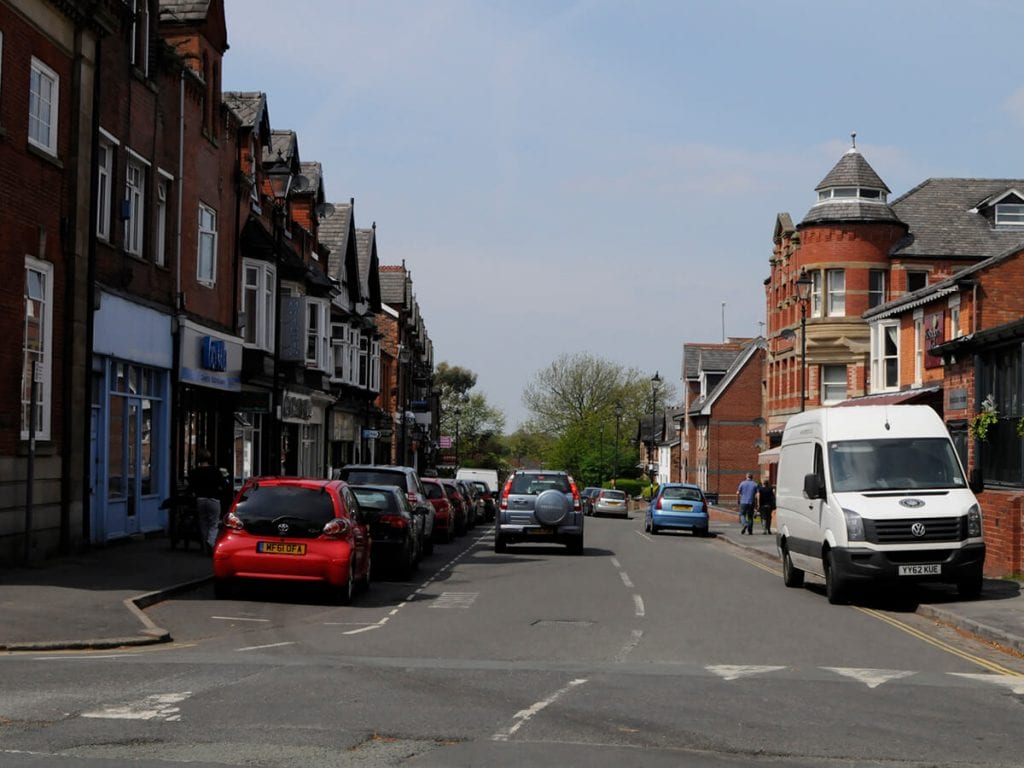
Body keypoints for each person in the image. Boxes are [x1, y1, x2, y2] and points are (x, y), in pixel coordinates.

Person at [188, 448, 227, 554]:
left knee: (203, 523)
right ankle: (211, 542)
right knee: (214, 523)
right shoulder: (215, 471)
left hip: (200, 500)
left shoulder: (195, 472)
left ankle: (205, 544)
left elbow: (191, 487)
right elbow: (223, 484)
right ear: (209, 458)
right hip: (213, 500)